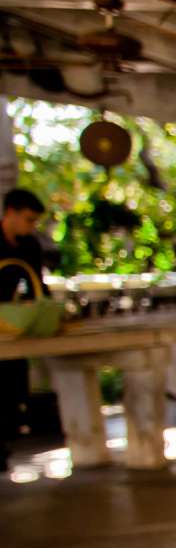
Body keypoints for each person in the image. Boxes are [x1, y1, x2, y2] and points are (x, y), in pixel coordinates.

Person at [1, 187, 52, 462]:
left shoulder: (29, 245)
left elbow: (37, 287)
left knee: (15, 382)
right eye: (28, 219)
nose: (31, 225)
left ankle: (7, 437)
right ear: (11, 213)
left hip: (13, 323)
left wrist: (47, 312)